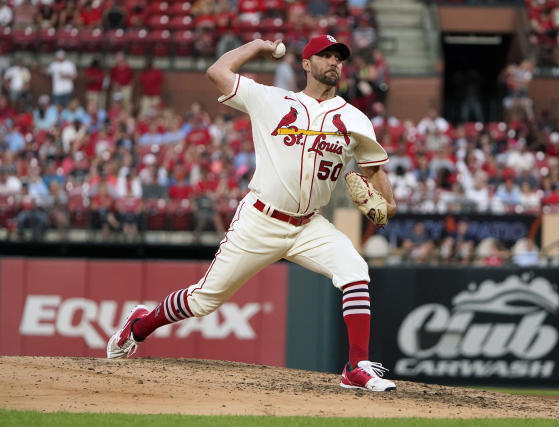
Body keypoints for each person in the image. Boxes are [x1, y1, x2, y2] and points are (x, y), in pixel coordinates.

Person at [107, 35, 398, 392]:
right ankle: (139, 325)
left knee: (354, 269)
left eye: (338, 57)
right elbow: (218, 71)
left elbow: (374, 170)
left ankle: (356, 367)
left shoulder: (355, 119)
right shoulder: (272, 99)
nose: (334, 62)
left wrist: (389, 204)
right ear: (306, 64)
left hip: (309, 225)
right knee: (203, 300)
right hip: (261, 219)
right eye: (325, 55)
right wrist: (258, 46)